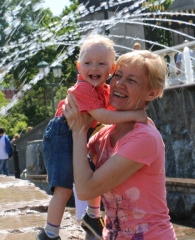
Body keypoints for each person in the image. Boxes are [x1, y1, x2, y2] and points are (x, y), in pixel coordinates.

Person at [36, 34, 147, 240]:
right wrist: (136, 115)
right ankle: (49, 233)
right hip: (61, 134)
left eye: (101, 63)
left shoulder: (103, 90)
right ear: (79, 66)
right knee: (63, 188)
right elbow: (102, 116)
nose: (94, 68)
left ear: (112, 69)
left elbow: (113, 111)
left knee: (93, 176)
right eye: (88, 63)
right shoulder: (83, 88)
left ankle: (92, 216)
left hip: (78, 134)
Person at [63, 50, 177, 240]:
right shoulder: (104, 134)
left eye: (132, 80)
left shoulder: (144, 138)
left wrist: (79, 130)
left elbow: (85, 190)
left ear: (152, 93)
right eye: (117, 75)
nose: (119, 84)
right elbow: (75, 169)